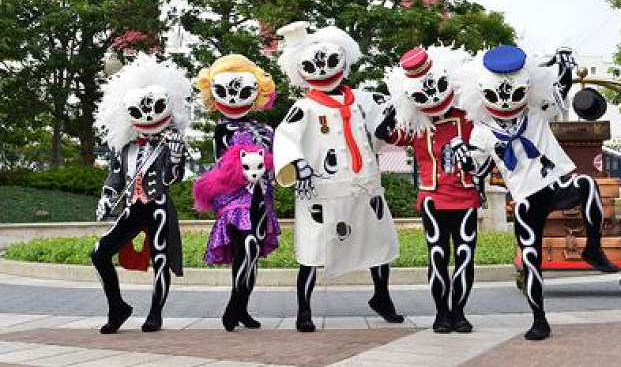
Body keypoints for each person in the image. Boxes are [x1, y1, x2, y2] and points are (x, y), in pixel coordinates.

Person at [455, 45, 618, 340]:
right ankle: (539, 319)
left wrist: (565, 66)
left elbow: (560, 91)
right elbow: (476, 170)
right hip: (525, 199)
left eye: (515, 93)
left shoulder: (535, 111)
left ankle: (593, 248)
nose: (506, 101)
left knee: (587, 184)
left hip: (553, 185)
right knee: (531, 258)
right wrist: (462, 155)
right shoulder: (481, 131)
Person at [273, 21, 403, 332]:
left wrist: (391, 128)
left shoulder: (363, 99)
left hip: (365, 188)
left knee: (378, 245)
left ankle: (382, 297)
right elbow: (285, 136)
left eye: (331, 61)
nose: (323, 69)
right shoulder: (304, 107)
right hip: (323, 192)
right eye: (312, 66)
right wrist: (297, 164)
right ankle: (304, 309)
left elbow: (387, 119)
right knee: (312, 251)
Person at [376, 46, 488, 333]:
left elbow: (486, 150)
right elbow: (385, 134)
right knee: (437, 256)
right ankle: (442, 314)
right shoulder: (417, 124)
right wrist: (393, 109)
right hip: (432, 198)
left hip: (465, 196)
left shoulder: (468, 117)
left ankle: (459, 313)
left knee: (465, 256)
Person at [92, 55, 191, 334]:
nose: (147, 116)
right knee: (99, 253)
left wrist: (175, 155)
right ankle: (117, 307)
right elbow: (115, 176)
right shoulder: (124, 146)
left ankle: (155, 313)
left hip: (158, 206)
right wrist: (106, 197)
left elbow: (173, 178)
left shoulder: (169, 143)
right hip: (133, 208)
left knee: (161, 258)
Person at [193, 54, 280, 331]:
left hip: (261, 197)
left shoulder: (267, 129)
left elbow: (276, 162)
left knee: (249, 255)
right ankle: (234, 305)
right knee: (248, 245)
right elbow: (226, 162)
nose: (233, 97)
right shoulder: (222, 129)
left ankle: (242, 308)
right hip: (234, 198)